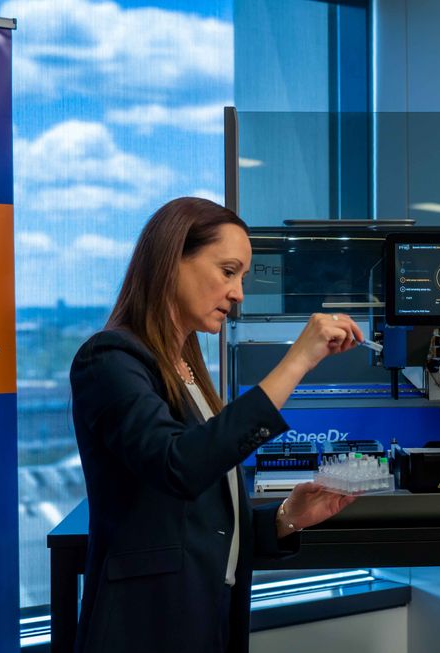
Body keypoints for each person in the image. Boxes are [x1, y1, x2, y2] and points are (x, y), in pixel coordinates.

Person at [70, 197, 363, 653]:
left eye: (242, 277)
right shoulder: (109, 359)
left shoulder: (188, 370)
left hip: (207, 617)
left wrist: (285, 518)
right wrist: (298, 360)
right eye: (228, 271)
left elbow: (202, 522)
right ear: (171, 262)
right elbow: (179, 465)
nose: (239, 292)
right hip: (145, 626)